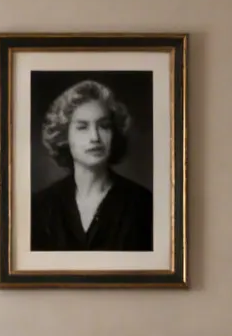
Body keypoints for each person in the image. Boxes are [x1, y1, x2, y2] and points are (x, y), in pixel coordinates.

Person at [30, 79, 154, 251]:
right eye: (82, 127)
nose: (95, 137)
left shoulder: (144, 205)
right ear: (65, 136)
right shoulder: (40, 207)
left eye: (104, 126)